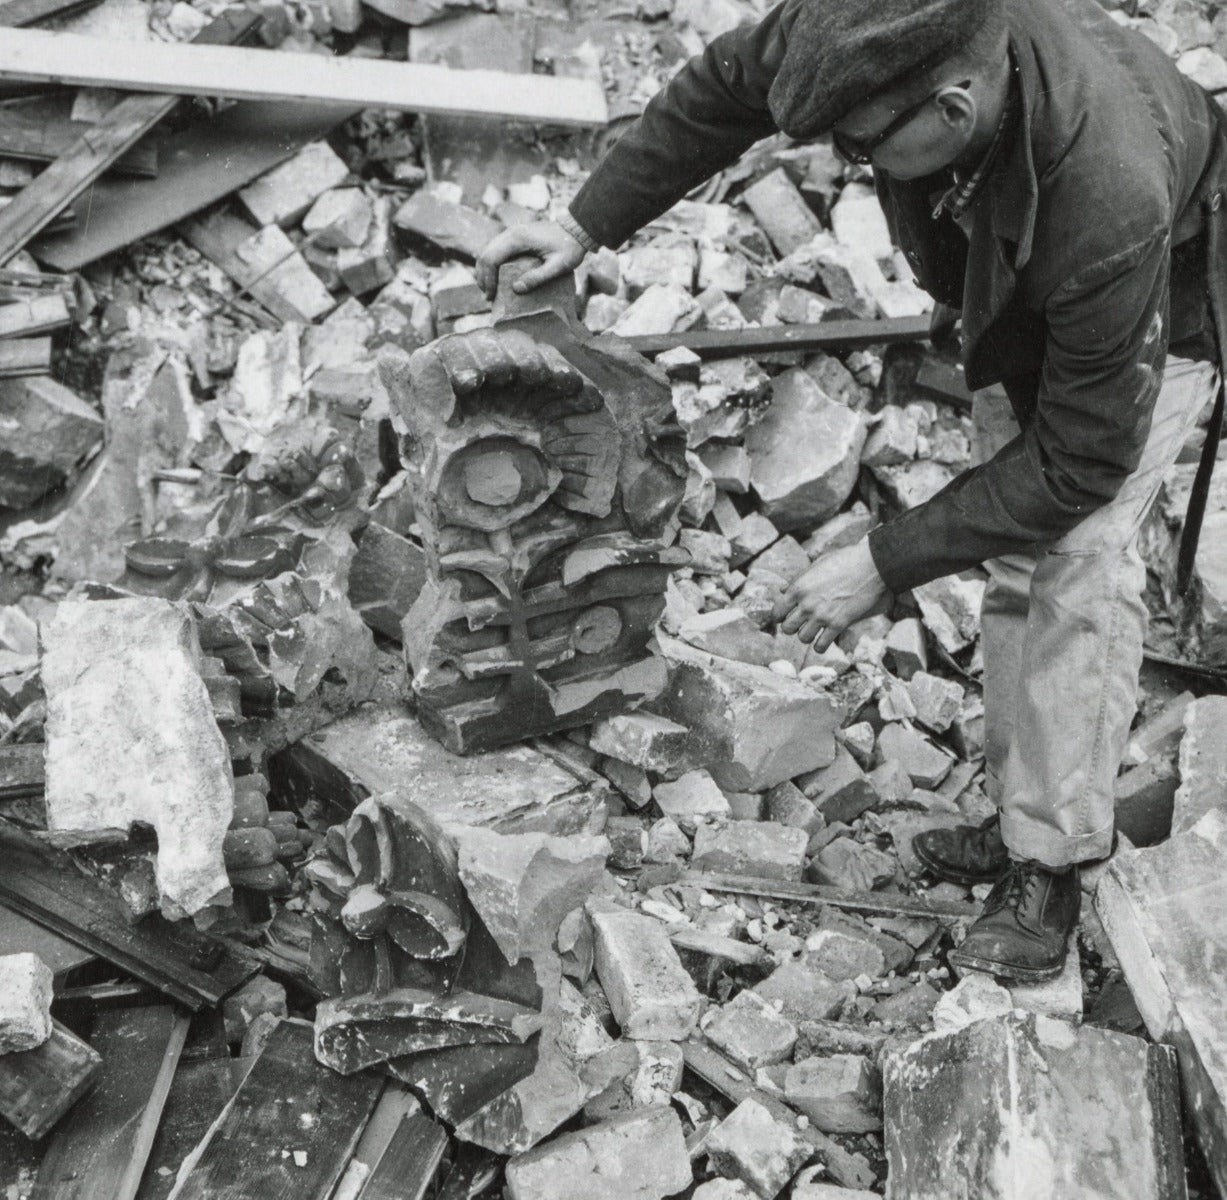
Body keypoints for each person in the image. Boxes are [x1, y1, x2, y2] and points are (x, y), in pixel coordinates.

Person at [477, 0, 1227, 983]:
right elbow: (725, 91)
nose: (844, 161)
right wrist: (584, 221)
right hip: (1021, 286)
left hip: (1150, 316)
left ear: (953, 112)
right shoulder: (868, 26)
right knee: (1011, 550)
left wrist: (881, 560)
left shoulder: (1106, 191)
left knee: (1076, 558)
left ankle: (1052, 862)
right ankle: (1019, 814)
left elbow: (1078, 464)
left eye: (859, 149)